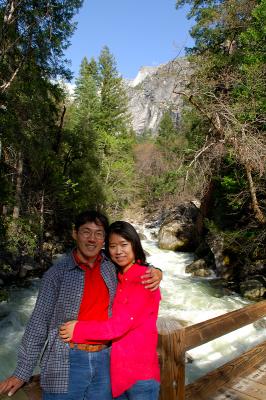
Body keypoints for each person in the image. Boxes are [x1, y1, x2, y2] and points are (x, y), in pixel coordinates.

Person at [0, 210, 162, 399]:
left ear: (103, 240)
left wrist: (156, 271)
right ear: (75, 234)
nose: (92, 239)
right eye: (86, 232)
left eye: (99, 233)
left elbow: (136, 265)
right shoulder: (56, 274)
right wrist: (22, 372)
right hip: (65, 361)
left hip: (105, 362)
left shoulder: (111, 266)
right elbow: (38, 322)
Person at [60, 221, 161, 400]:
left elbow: (118, 327)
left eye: (124, 245)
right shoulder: (118, 275)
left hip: (140, 376)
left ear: (134, 245)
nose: (118, 251)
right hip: (117, 373)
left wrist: (78, 329)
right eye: (113, 246)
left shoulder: (144, 279)